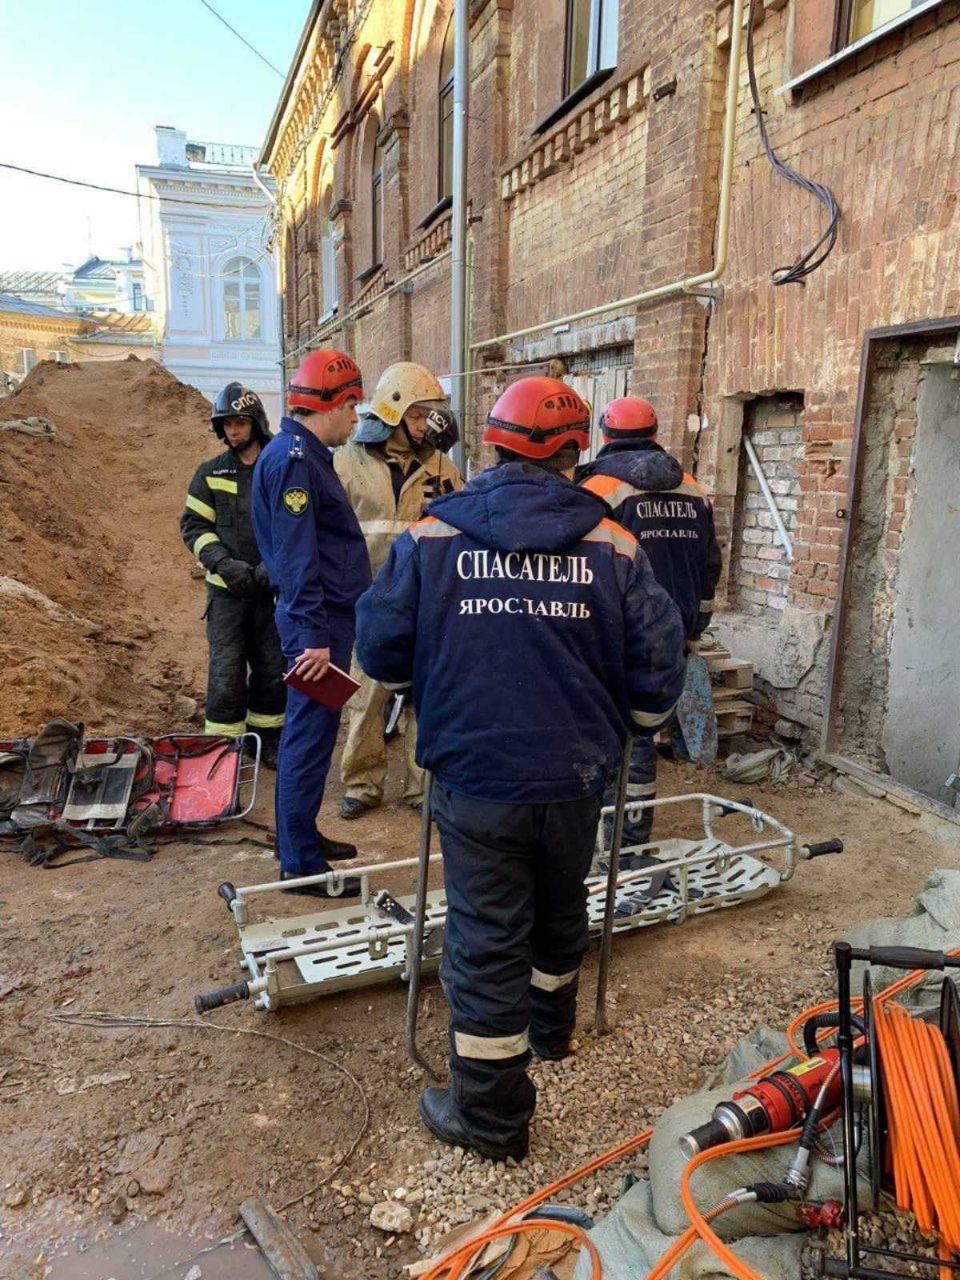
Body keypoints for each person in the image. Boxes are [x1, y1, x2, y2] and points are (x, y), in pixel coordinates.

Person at [355, 376, 685, 1159]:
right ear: (575, 452)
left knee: (486, 934)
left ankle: (492, 1118)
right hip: (575, 772)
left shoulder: (434, 536)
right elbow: (657, 659)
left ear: (492, 443)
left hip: (474, 773)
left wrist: (423, 689)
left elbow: (379, 650)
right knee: (560, 900)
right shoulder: (614, 545)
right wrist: (635, 727)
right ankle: (551, 1031)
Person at [577, 397, 723, 852]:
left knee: (608, 730)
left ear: (604, 435)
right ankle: (631, 832)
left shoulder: (598, 488)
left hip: (615, 628)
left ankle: (612, 837)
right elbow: (710, 565)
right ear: (656, 435)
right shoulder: (693, 488)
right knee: (643, 726)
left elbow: (586, 562)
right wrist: (695, 626)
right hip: (672, 628)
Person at [252, 350, 372, 898]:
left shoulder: (301, 454)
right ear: (331, 403)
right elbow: (298, 557)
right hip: (316, 626)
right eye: (352, 406)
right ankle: (299, 865)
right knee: (306, 737)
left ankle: (301, 838)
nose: (355, 418)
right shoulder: (297, 460)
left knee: (314, 736)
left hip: (320, 620)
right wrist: (314, 640)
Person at [334, 363, 463, 820]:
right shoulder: (346, 462)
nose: (426, 424)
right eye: (417, 415)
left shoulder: (442, 466)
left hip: (426, 601)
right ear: (391, 413)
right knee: (367, 697)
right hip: (370, 600)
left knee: (425, 699)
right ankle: (361, 783)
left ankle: (419, 786)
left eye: (430, 415)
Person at [180, 383, 285, 766]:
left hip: (270, 591)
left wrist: (268, 569)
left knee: (273, 668)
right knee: (225, 671)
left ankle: (268, 739)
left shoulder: (279, 468)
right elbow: (193, 526)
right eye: (227, 424)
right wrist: (225, 565)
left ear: (255, 422)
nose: (233, 431)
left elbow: (292, 527)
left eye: (240, 422)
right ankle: (224, 749)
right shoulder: (209, 473)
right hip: (225, 595)